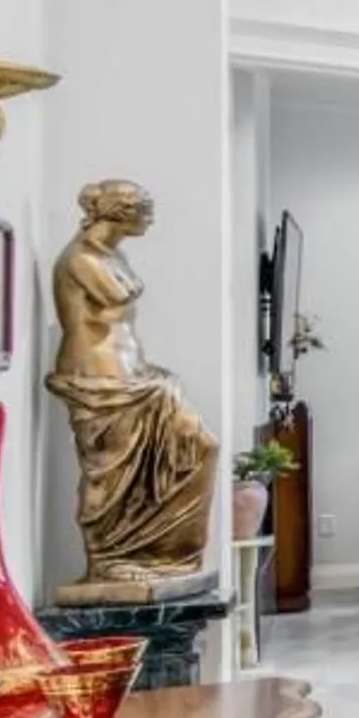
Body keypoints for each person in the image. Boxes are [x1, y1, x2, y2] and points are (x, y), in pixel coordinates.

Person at [48, 179, 217, 587]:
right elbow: (120, 294)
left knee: (201, 445)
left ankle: (163, 553)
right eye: (144, 207)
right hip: (100, 377)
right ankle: (108, 558)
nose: (151, 216)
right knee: (110, 474)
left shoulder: (110, 254)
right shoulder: (81, 258)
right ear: (117, 211)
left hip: (134, 374)